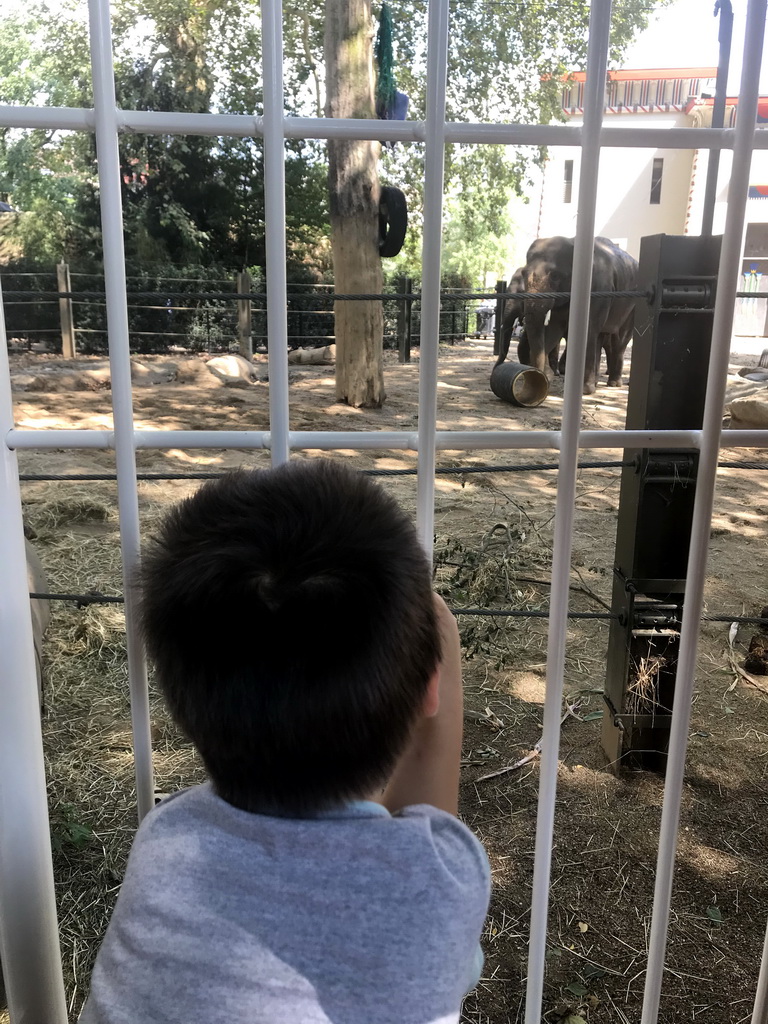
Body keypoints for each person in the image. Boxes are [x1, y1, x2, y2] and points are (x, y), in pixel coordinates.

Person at [79, 459, 491, 1024]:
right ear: (428, 691)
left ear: (182, 706)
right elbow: (433, 841)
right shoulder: (439, 890)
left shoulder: (166, 843)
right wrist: (441, 649)